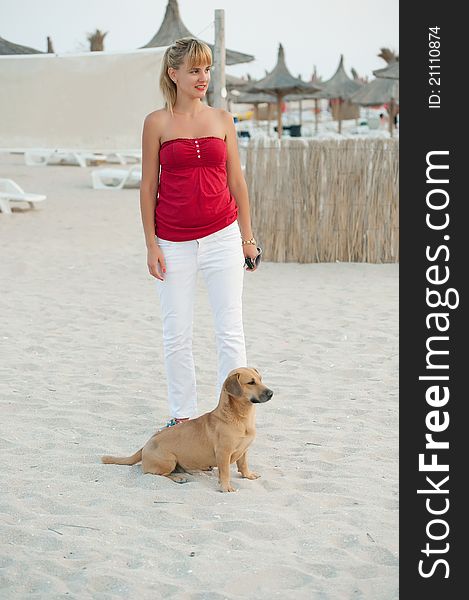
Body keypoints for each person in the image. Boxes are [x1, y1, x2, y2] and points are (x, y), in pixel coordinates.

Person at [139, 37, 259, 428]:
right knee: (177, 332)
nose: (202, 77)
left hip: (223, 235)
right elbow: (147, 186)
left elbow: (237, 182)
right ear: (173, 74)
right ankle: (183, 417)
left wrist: (247, 237)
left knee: (230, 329)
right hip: (172, 241)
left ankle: (234, 417)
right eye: (194, 69)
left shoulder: (223, 119)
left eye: (206, 69)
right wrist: (151, 244)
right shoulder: (156, 122)